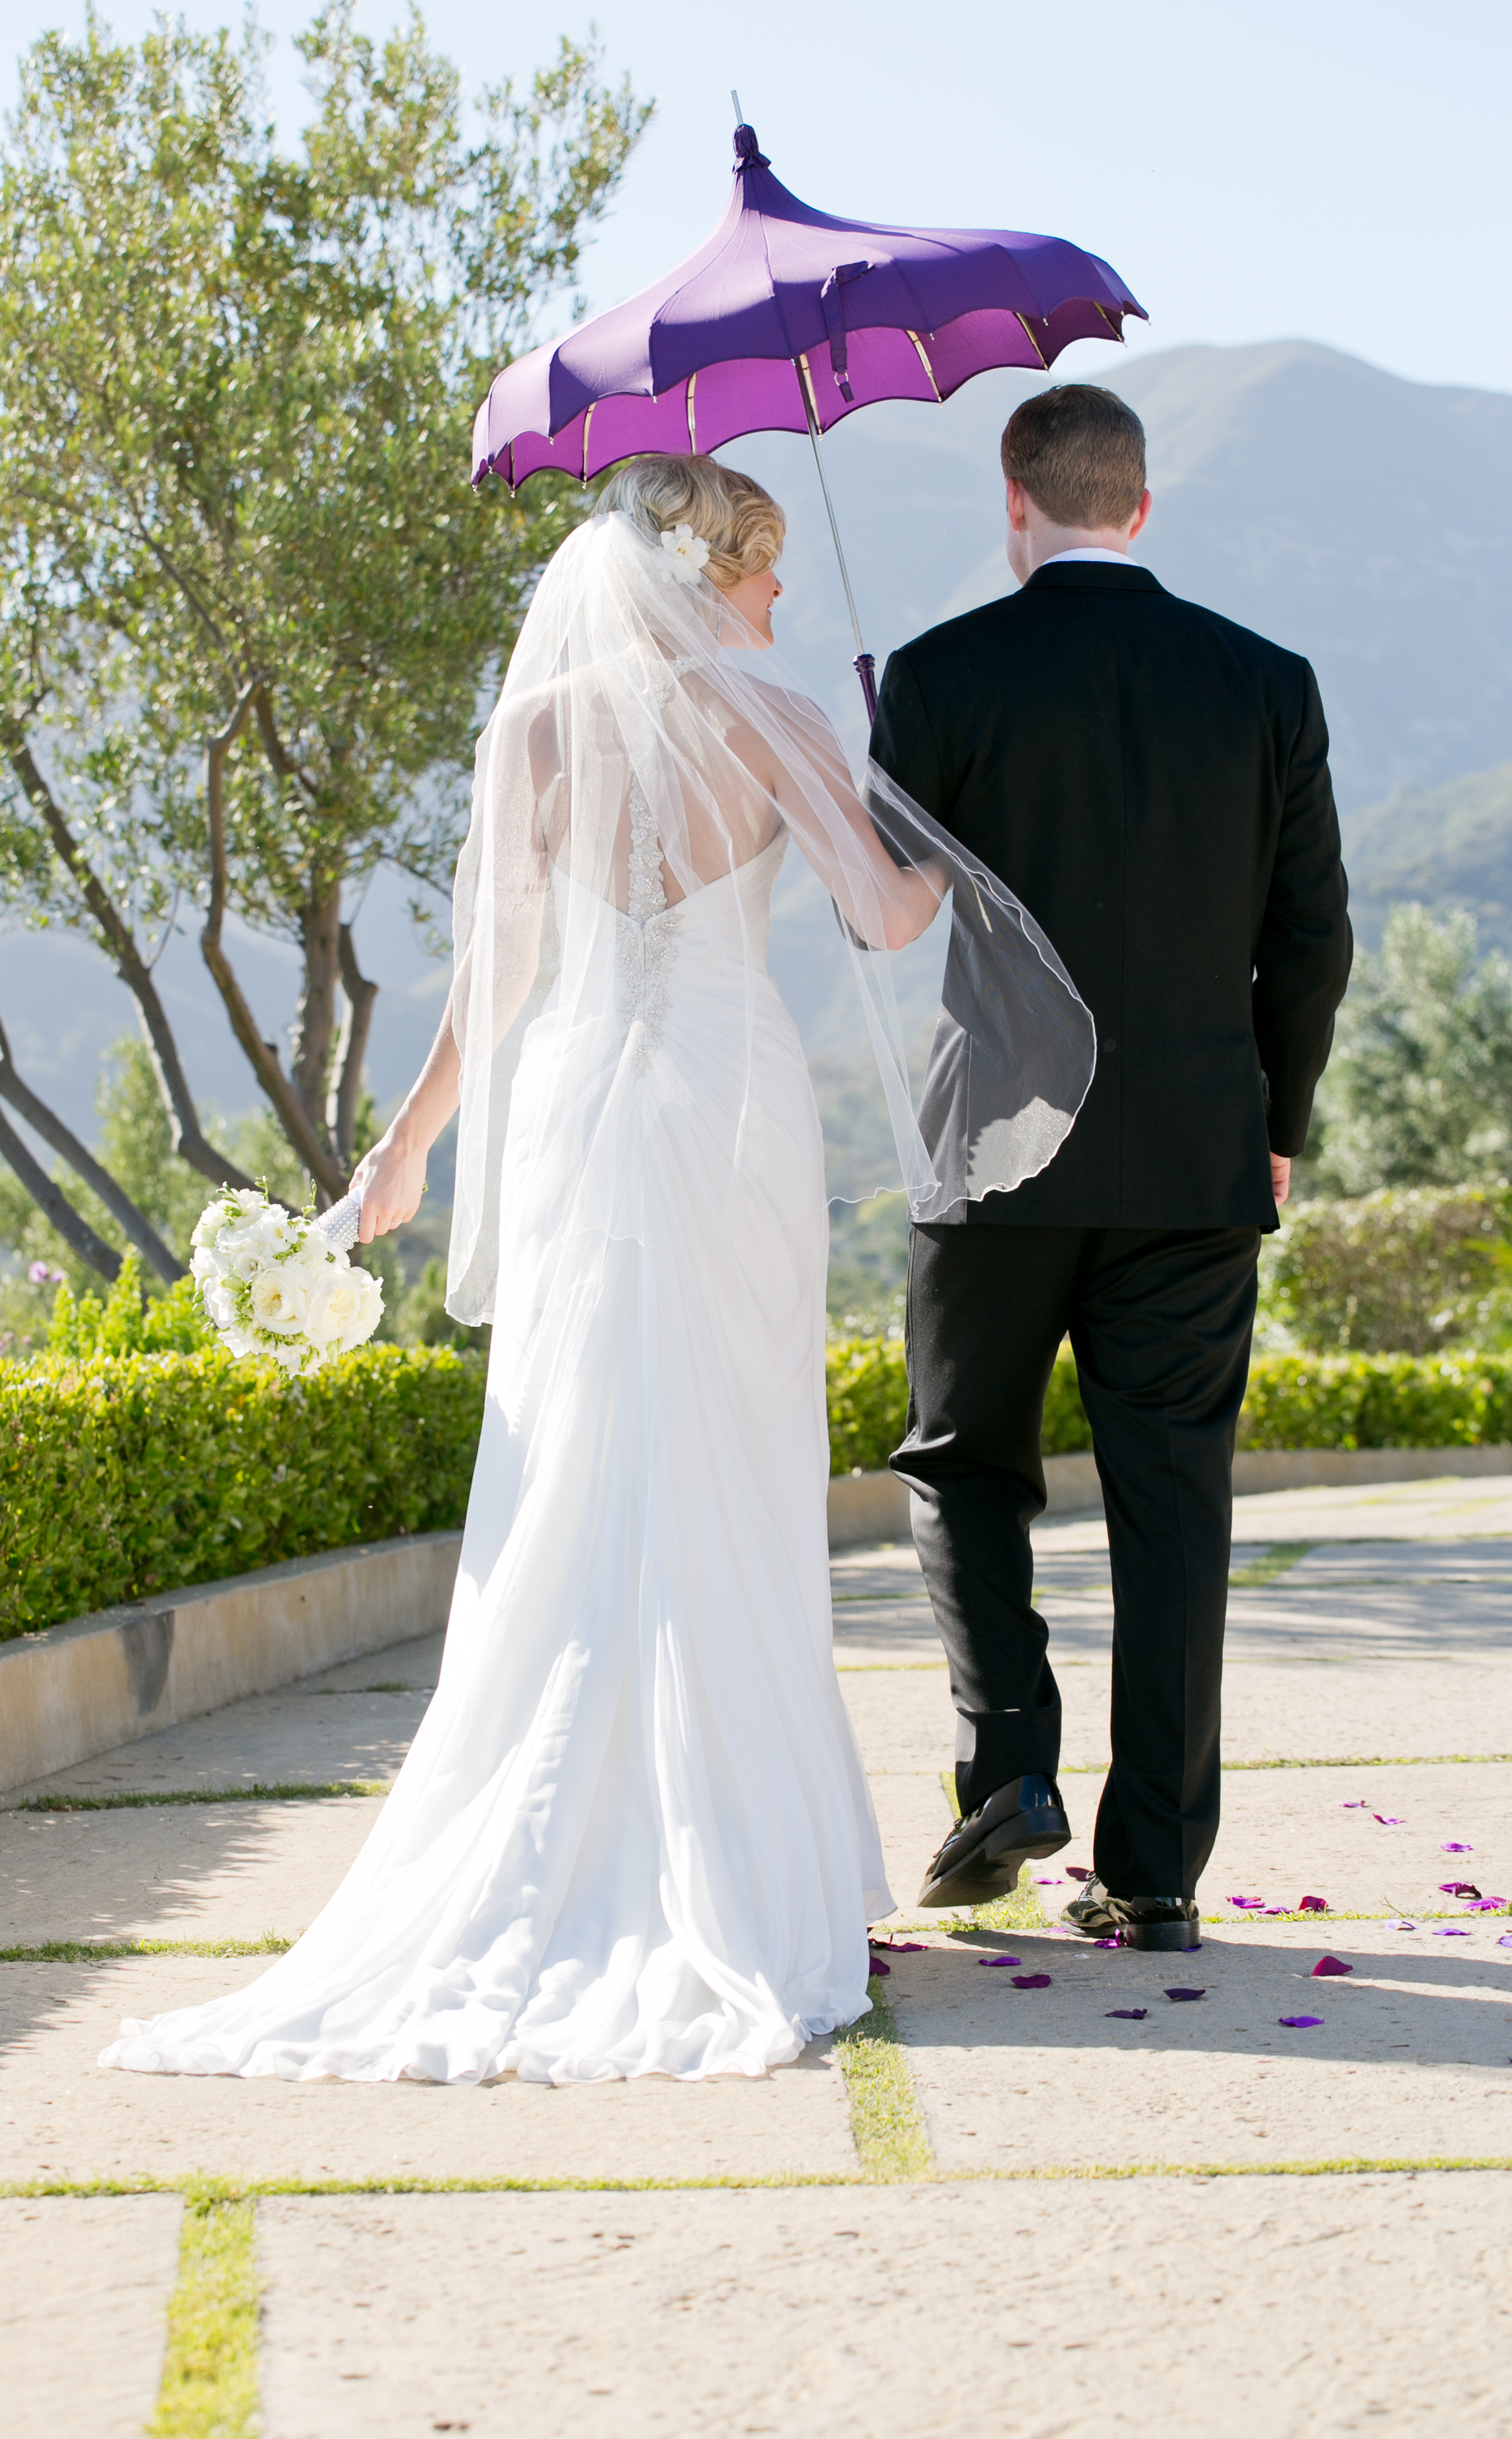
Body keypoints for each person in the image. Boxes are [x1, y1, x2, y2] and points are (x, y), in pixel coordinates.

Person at [100, 456, 1093, 2087]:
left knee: (576, 1458)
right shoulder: (775, 717)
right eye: (765, 580)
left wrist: (408, 1148)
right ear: (715, 577)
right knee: (727, 1456)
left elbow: (493, 975)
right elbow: (891, 921)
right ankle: (740, 1857)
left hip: (568, 1106)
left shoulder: (535, 728)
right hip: (730, 1101)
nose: (779, 605)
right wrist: (910, 808)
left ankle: (562, 1838)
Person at [870, 384, 1352, 1950]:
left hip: (997, 1155)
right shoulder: (1267, 684)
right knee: (1174, 1506)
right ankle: (1153, 1874)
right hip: (1197, 1159)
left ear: (1014, 505)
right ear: (1138, 508)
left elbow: (879, 911)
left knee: (961, 1466)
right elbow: (1312, 942)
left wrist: (890, 749)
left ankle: (1010, 1766)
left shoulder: (942, 675)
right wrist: (1275, 1129)